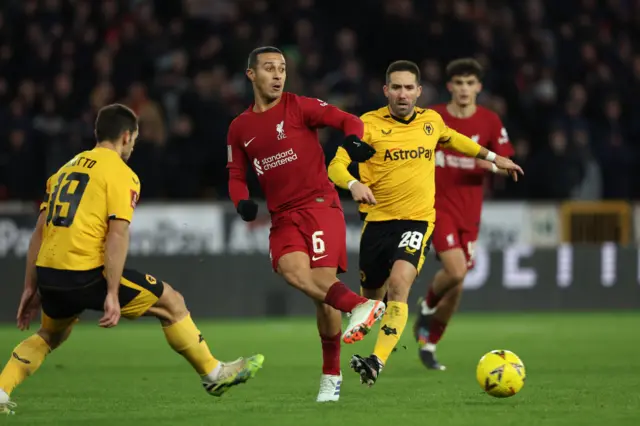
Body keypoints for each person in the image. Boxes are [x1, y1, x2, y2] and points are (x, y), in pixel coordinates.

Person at [0, 104, 263, 416]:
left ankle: (1, 390)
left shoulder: (64, 171)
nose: (133, 147)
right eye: (134, 141)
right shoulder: (121, 174)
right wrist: (111, 293)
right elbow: (117, 235)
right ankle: (213, 374)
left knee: (50, 335)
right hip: (86, 273)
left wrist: (31, 285)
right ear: (126, 136)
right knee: (171, 302)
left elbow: (39, 230)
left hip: (50, 274)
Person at [327, 60, 522, 387]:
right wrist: (353, 184)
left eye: (409, 88)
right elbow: (336, 164)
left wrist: (492, 158)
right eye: (396, 88)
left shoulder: (431, 122)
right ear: (386, 90)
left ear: (418, 92)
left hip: (417, 221)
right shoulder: (366, 125)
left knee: (400, 286)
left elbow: (457, 140)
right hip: (376, 223)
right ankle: (368, 314)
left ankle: (376, 362)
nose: (403, 94)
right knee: (372, 300)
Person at [226, 46, 384, 402]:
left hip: (318, 206)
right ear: (251, 75)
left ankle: (331, 377)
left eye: (282, 68)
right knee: (292, 271)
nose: (278, 74)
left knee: (323, 293)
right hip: (282, 216)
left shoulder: (299, 106)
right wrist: (242, 201)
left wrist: (354, 141)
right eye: (269, 68)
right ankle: (360, 305)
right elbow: (235, 174)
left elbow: (347, 119)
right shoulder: (240, 127)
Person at [411, 58, 517, 370]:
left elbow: (506, 160)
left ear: (478, 88)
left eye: (470, 83)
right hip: (436, 206)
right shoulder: (434, 117)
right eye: (459, 83)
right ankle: (427, 306)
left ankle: (428, 344)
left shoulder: (489, 121)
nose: (464, 89)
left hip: (470, 213)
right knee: (456, 272)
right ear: (450, 87)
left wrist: (492, 164)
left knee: (456, 287)